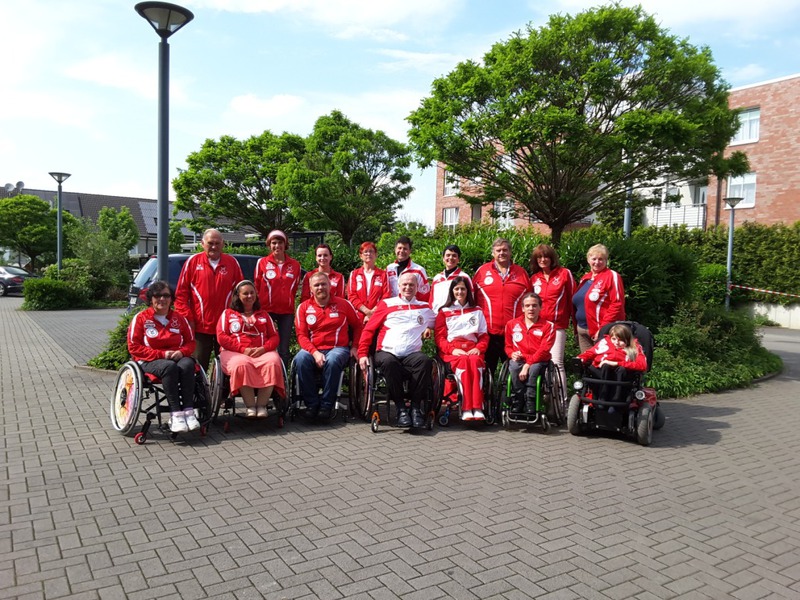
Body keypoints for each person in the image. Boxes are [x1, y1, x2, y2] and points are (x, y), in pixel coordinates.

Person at [358, 272, 436, 429]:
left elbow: (441, 326)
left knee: (425, 362)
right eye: (404, 284)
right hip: (387, 351)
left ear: (417, 287)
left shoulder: (425, 308)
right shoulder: (387, 304)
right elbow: (369, 329)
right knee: (389, 363)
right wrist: (362, 354)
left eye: (411, 285)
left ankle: (415, 408)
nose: (408, 287)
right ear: (399, 286)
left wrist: (430, 329)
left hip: (412, 354)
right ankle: (401, 409)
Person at [128, 280, 199, 433]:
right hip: (150, 360)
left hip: (177, 356)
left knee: (188, 365)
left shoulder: (179, 318)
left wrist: (182, 352)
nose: (162, 299)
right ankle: (176, 414)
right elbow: (133, 347)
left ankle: (189, 411)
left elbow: (191, 342)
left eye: (166, 295)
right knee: (169, 367)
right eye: (157, 295)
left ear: (171, 298)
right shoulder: (141, 318)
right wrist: (162, 354)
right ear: (151, 298)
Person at [295, 272, 363, 421]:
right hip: (312, 349)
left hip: (337, 348)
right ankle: (312, 404)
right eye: (316, 285)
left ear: (330, 285)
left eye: (323, 284)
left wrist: (355, 347)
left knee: (332, 360)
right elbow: (301, 336)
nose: (320, 287)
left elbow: (358, 326)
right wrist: (314, 353)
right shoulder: (303, 308)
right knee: (300, 359)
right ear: (311, 289)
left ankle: (326, 405)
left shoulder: (343, 304)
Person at [174, 228, 244, 371]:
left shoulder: (232, 263)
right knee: (198, 367)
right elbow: (180, 295)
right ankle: (199, 387)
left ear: (223, 244)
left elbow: (241, 293)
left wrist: (238, 318)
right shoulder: (193, 262)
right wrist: (188, 319)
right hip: (200, 326)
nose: (214, 247)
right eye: (210, 243)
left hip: (225, 327)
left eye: (217, 243)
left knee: (228, 366)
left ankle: (223, 387)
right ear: (202, 243)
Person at [217, 280, 285, 418]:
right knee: (241, 364)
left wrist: (264, 348)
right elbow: (221, 336)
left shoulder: (263, 314)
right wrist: (243, 349)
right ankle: (250, 406)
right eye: (245, 293)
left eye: (252, 293)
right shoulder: (228, 314)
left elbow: (274, 337)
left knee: (273, 362)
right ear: (238, 296)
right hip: (235, 352)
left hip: (261, 351)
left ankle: (261, 405)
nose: (249, 296)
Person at [473, 238, 531, 374]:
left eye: (505, 250)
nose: (501, 253)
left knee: (514, 373)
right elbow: (471, 298)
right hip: (487, 332)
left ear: (510, 252)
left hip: (514, 332)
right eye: (498, 250)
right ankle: (487, 389)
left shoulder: (521, 273)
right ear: (493, 253)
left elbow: (530, 301)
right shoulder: (482, 271)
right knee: (486, 371)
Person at [434, 276, 489, 421]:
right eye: (456, 289)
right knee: (464, 361)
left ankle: (477, 407)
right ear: (452, 291)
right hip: (453, 350)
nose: (460, 292)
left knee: (475, 361)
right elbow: (440, 337)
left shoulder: (477, 310)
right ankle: (466, 408)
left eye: (463, 289)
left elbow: (484, 335)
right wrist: (452, 350)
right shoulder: (444, 311)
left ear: (468, 291)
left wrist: (479, 348)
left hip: (473, 349)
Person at [529, 244, 574, 396]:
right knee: (538, 362)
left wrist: (574, 327)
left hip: (557, 326)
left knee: (557, 363)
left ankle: (562, 401)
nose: (543, 260)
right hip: (539, 327)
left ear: (552, 258)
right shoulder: (534, 278)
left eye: (546, 256)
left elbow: (572, 300)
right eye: (539, 257)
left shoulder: (564, 274)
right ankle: (545, 398)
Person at [254, 230, 302, 366]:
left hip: (286, 312)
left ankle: (282, 376)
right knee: (264, 345)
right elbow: (257, 286)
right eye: (274, 243)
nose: (277, 246)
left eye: (280, 242)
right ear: (269, 245)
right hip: (266, 311)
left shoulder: (295, 265)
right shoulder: (262, 263)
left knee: (284, 349)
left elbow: (294, 287)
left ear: (285, 244)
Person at [504, 293, 556, 414]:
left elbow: (544, 350)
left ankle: (530, 399)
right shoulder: (511, 324)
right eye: (527, 306)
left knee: (534, 369)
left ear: (540, 307)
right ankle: (519, 398)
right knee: (514, 367)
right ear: (522, 308)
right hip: (520, 358)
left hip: (539, 359)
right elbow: (508, 346)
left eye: (534, 305)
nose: (531, 309)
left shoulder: (548, 326)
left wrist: (528, 364)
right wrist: (511, 354)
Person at [573, 243, 625, 353]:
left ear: (606, 260)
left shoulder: (611, 276)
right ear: (588, 260)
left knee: (603, 360)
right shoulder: (585, 278)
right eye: (594, 259)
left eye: (601, 259)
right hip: (582, 329)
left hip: (601, 330)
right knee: (587, 361)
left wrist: (603, 328)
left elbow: (617, 304)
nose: (597, 262)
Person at [577, 323, 646, 402]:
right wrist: (580, 359)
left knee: (621, 370)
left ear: (627, 340)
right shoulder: (604, 343)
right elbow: (590, 353)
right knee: (605, 366)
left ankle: (616, 400)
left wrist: (617, 363)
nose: (616, 342)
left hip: (622, 375)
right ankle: (601, 397)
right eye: (614, 339)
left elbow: (642, 365)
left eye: (621, 340)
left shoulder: (635, 347)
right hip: (601, 373)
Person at [347, 241, 390, 323]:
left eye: (371, 251)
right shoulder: (354, 274)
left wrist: (373, 312)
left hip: (377, 316)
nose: (368, 254)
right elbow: (351, 296)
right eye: (365, 252)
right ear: (361, 256)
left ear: (376, 255)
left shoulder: (383, 274)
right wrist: (367, 311)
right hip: (358, 317)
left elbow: (386, 296)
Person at [430, 244, 473, 313]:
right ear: (443, 258)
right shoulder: (437, 278)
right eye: (448, 255)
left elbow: (471, 298)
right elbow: (431, 300)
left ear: (458, 259)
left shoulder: (464, 277)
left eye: (454, 255)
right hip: (436, 315)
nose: (450, 258)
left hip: (455, 315)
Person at [386, 235, 430, 302]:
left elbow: (425, 295)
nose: (402, 251)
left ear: (410, 251)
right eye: (399, 248)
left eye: (405, 249)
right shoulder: (389, 268)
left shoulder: (419, 270)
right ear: (395, 249)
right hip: (393, 306)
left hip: (412, 306)